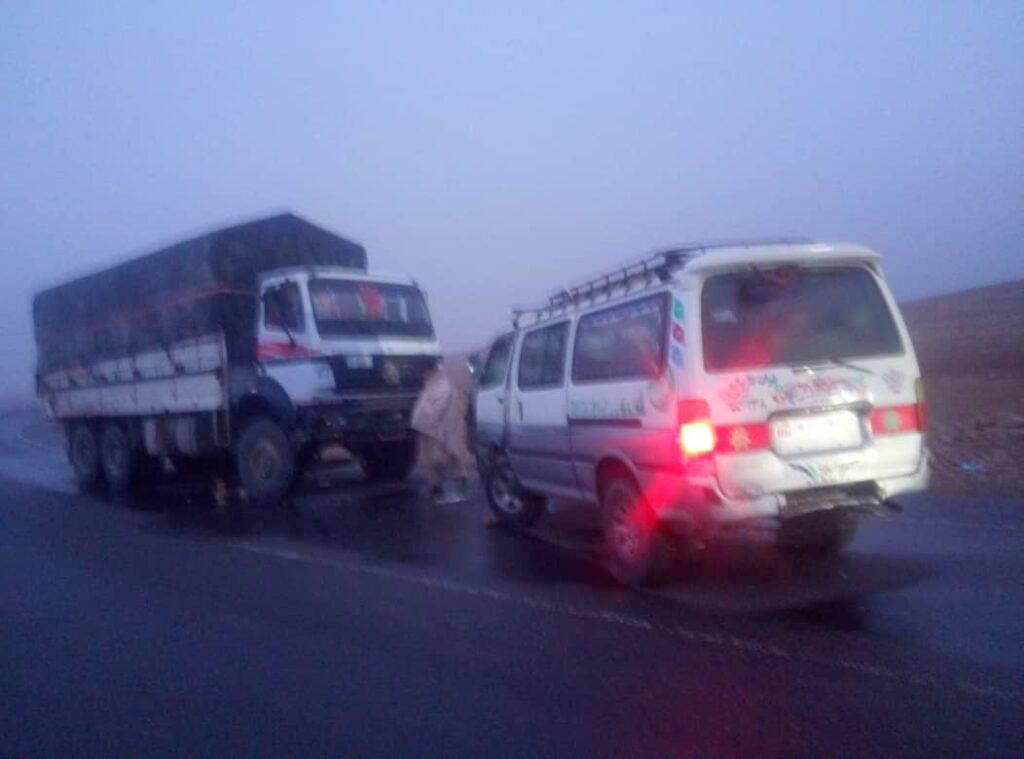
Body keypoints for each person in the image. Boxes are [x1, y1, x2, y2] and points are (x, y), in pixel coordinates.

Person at [411, 358, 471, 503]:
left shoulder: (441, 385)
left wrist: (424, 422)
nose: (422, 375)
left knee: (443, 455)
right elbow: (426, 406)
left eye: (424, 372)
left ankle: (457, 482)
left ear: (429, 370)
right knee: (434, 458)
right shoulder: (433, 383)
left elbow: (433, 409)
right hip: (431, 429)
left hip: (440, 428)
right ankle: (437, 486)